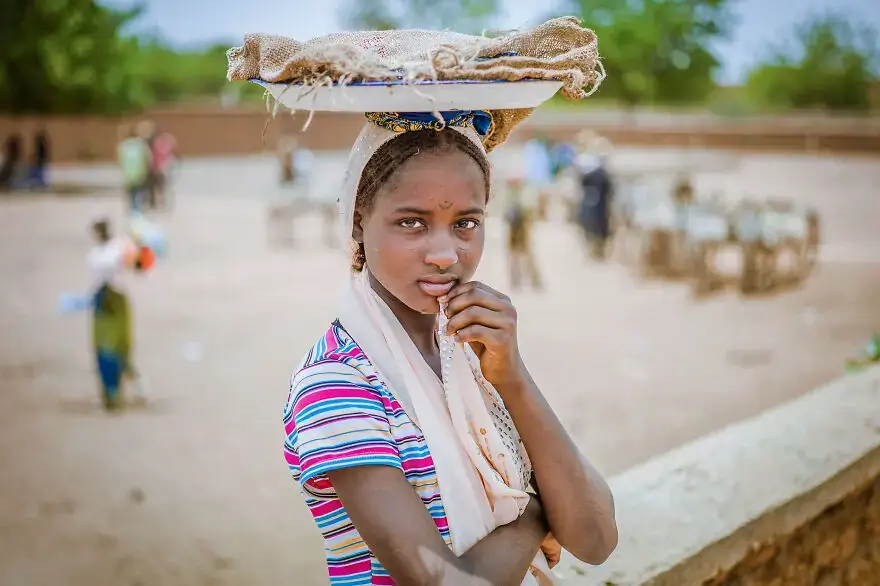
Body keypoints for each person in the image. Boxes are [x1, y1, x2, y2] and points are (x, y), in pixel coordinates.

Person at [232, 18, 616, 586]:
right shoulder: (338, 385)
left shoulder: (470, 356)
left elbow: (595, 537)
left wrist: (511, 375)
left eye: (466, 223)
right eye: (412, 222)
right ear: (358, 223)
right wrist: (534, 513)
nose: (445, 254)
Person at [87, 218, 135, 410]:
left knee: (106, 347)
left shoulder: (97, 255)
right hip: (116, 300)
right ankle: (114, 392)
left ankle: (111, 393)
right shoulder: (119, 249)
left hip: (106, 301)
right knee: (118, 346)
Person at [505, 175, 543, 290]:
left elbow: (530, 212)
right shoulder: (511, 194)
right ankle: (516, 281)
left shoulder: (526, 194)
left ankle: (535, 281)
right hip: (514, 227)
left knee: (527, 254)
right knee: (514, 255)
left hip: (524, 226)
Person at [117, 125, 150, 213]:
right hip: (139, 172)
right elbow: (148, 158)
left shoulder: (123, 145)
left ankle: (133, 208)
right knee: (138, 191)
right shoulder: (141, 144)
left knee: (131, 192)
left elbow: (120, 159)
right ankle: (136, 209)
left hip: (128, 173)